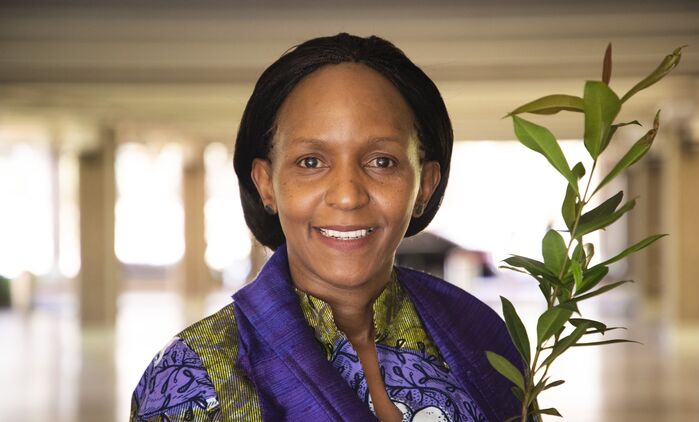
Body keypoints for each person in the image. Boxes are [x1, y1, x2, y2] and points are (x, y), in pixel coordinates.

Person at [130, 33, 525, 422]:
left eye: (382, 161)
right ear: (266, 184)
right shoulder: (193, 378)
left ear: (425, 185)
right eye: (311, 162)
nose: (348, 196)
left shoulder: (482, 341)